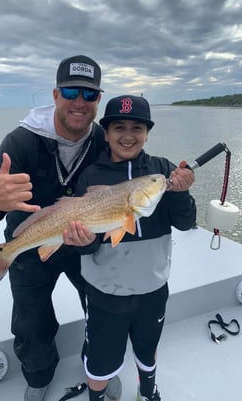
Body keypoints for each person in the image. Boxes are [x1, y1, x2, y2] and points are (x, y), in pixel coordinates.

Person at [0, 55, 122, 401]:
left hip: (84, 240)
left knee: (101, 307)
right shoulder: (20, 141)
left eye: (90, 94)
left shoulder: (103, 142)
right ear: (55, 95)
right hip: (30, 242)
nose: (80, 103)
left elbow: (131, 175)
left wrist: (173, 178)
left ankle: (100, 366)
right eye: (71, 91)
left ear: (98, 100)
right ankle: (39, 376)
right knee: (31, 319)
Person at [64, 95, 197, 401]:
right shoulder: (90, 176)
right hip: (104, 292)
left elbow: (185, 223)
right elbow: (88, 241)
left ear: (147, 133)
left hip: (153, 288)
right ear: (105, 133)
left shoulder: (160, 170)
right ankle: (96, 396)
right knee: (100, 358)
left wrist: (181, 192)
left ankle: (147, 390)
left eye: (137, 127)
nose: (127, 135)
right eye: (118, 127)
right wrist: (85, 242)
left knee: (147, 348)